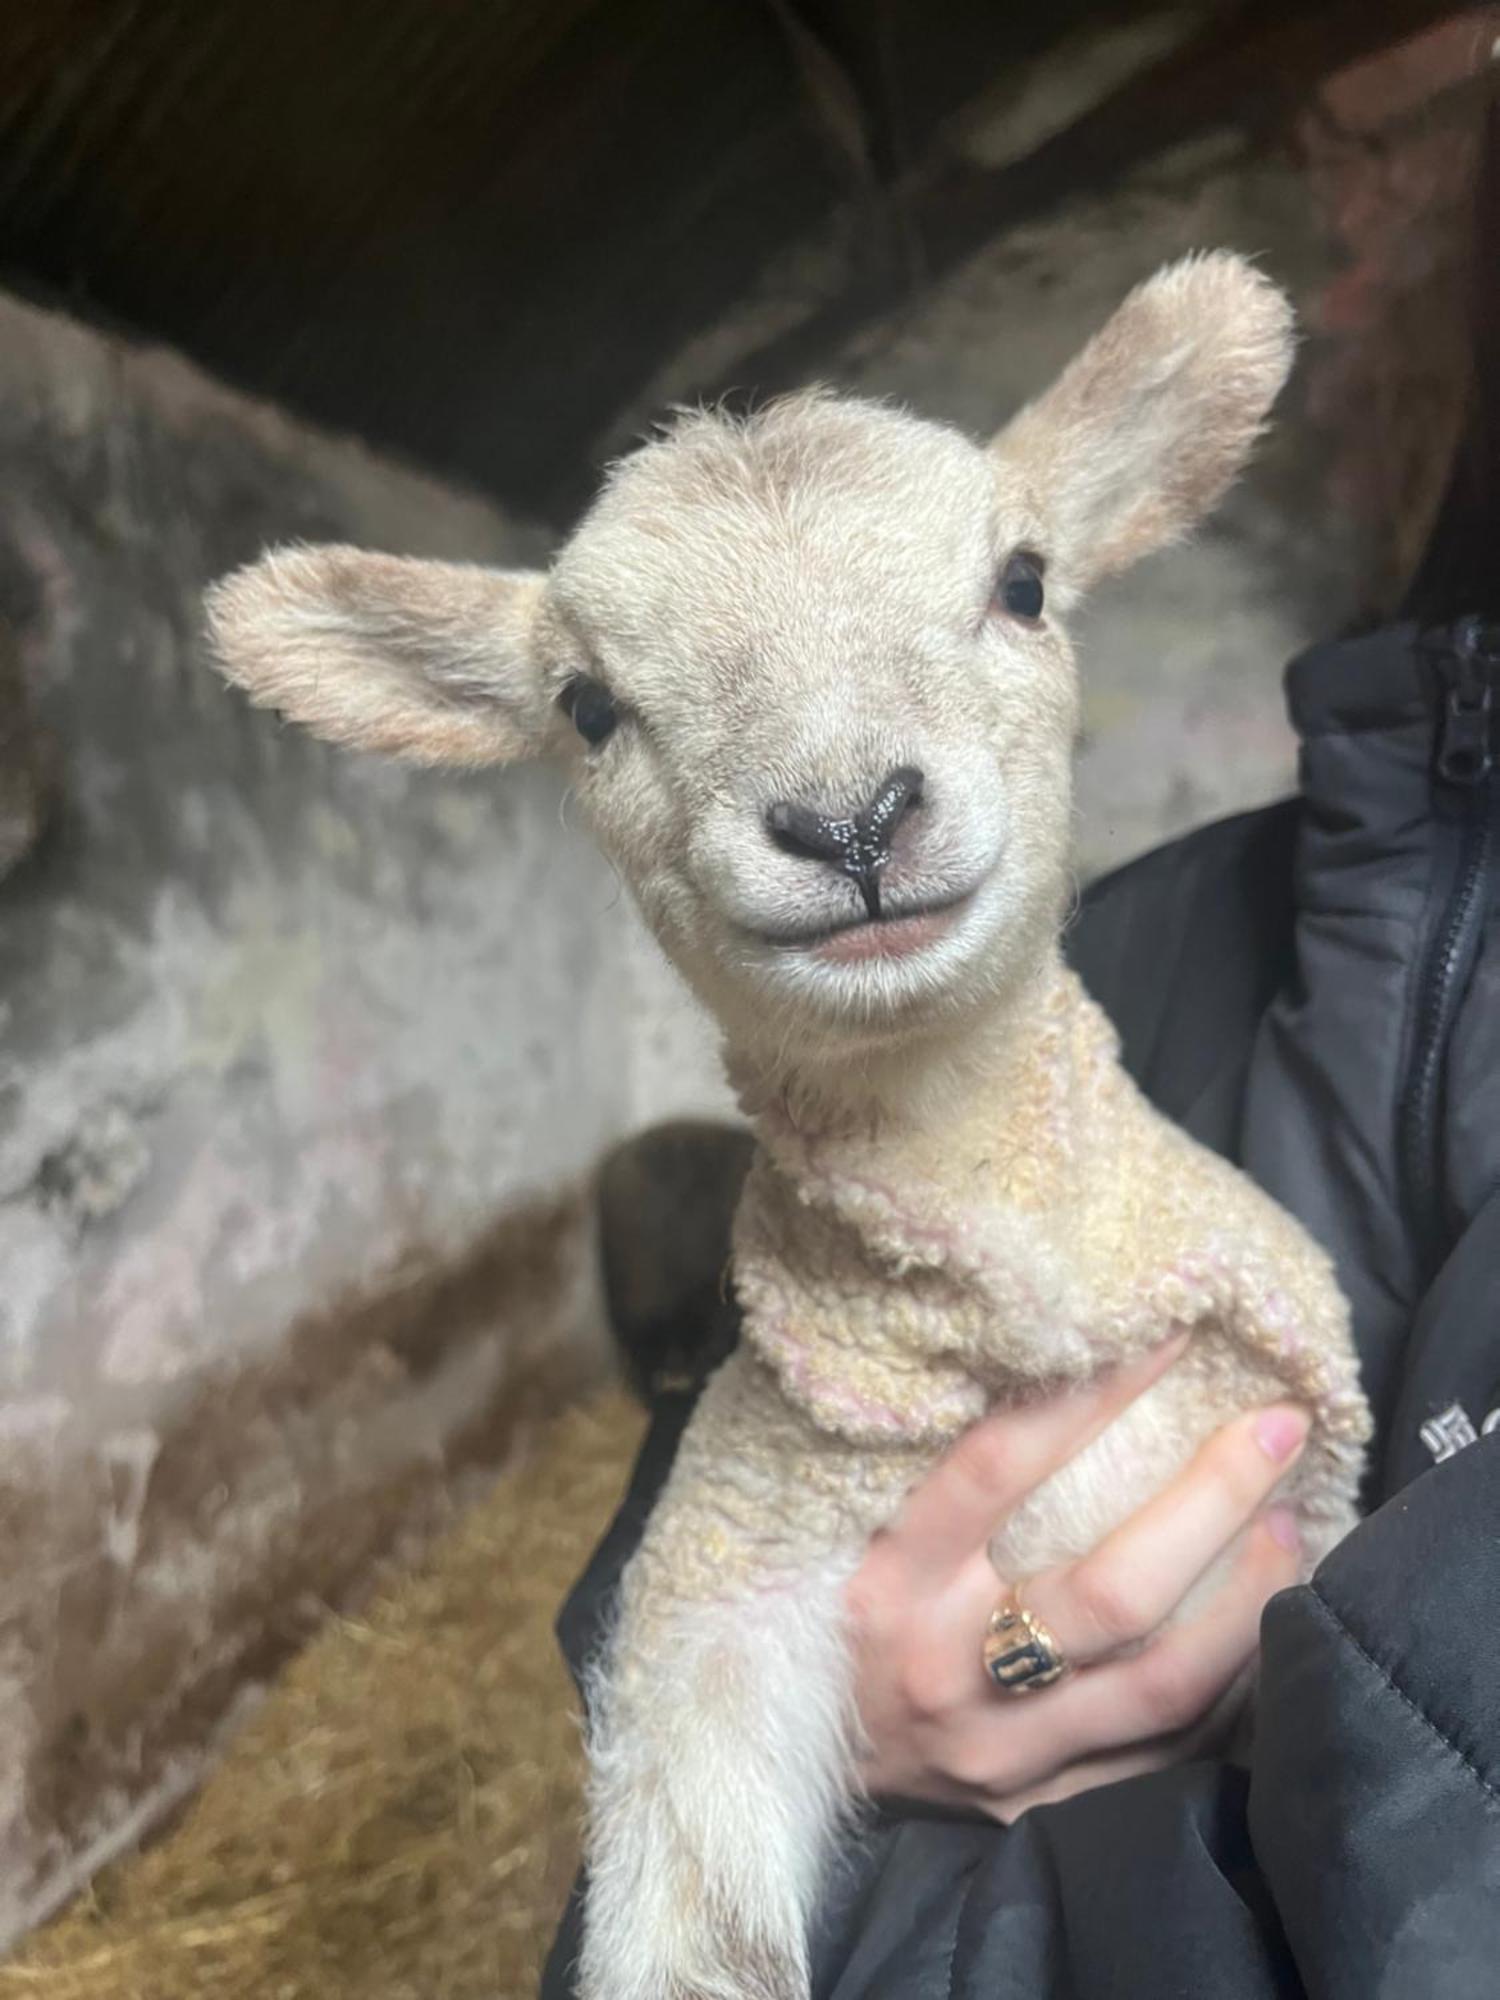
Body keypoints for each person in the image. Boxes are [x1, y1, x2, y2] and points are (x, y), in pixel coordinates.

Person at [543, 131, 1500, 1999]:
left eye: (1006, 589)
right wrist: (841, 1740)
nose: (838, 783)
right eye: (603, 699)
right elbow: (660, 1641)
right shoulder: (1164, 931)